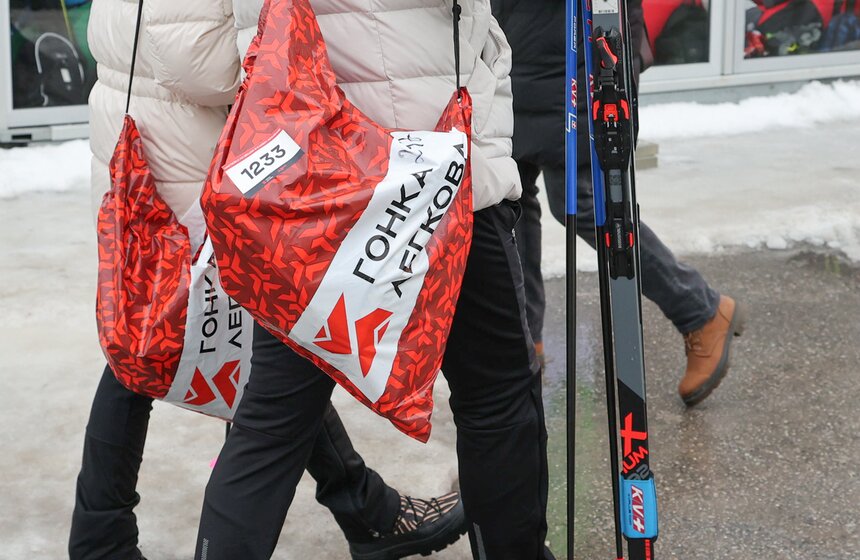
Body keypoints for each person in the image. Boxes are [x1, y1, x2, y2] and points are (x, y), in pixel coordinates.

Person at [70, 1, 467, 558]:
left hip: (146, 140)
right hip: (185, 162)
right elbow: (198, 66)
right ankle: (366, 510)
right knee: (261, 355)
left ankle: (364, 507)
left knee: (155, 342)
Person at [194, 0, 553, 559]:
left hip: (307, 194)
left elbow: (205, 59)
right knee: (496, 399)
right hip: (431, 173)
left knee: (271, 426)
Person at [491, 0, 745, 406]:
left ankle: (700, 310)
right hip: (509, 51)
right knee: (507, 200)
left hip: (574, 50)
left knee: (584, 202)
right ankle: (523, 341)